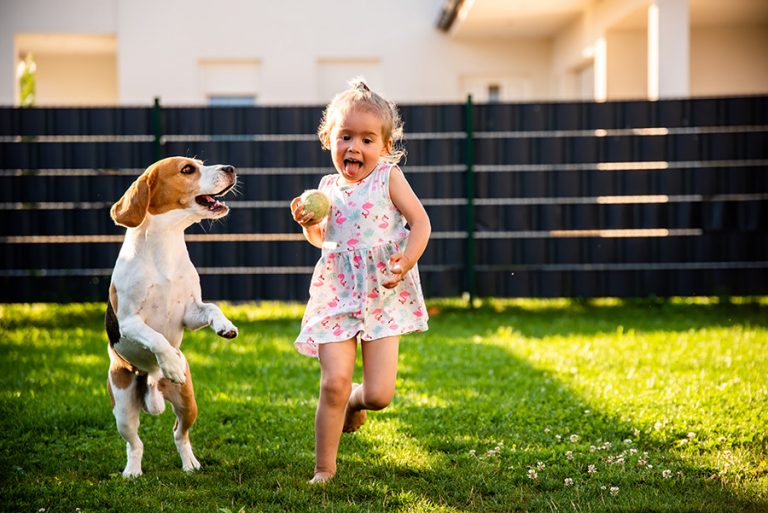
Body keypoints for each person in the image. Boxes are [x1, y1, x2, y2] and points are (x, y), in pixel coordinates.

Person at [290, 78, 431, 484]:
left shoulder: (388, 177)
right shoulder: (326, 189)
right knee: (333, 381)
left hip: (385, 292)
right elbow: (321, 240)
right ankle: (324, 469)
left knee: (379, 395)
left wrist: (405, 261)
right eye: (345, 136)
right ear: (328, 139)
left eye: (368, 139)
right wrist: (307, 222)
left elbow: (421, 223)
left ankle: (357, 402)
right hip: (337, 291)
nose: (355, 147)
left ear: (385, 147)